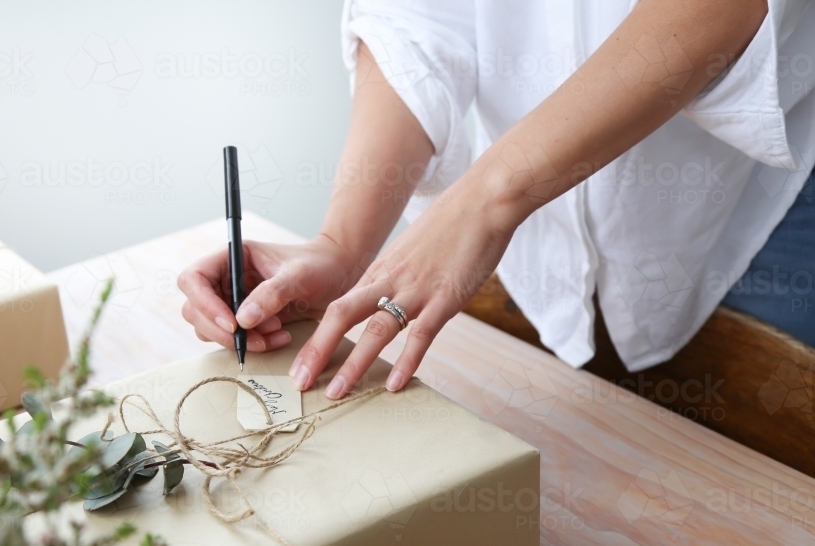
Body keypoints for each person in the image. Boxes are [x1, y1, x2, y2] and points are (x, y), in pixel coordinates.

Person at [179, 0, 815, 400]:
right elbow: (416, 17)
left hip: (750, 197)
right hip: (516, 229)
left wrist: (486, 200)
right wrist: (343, 245)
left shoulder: (486, 206)